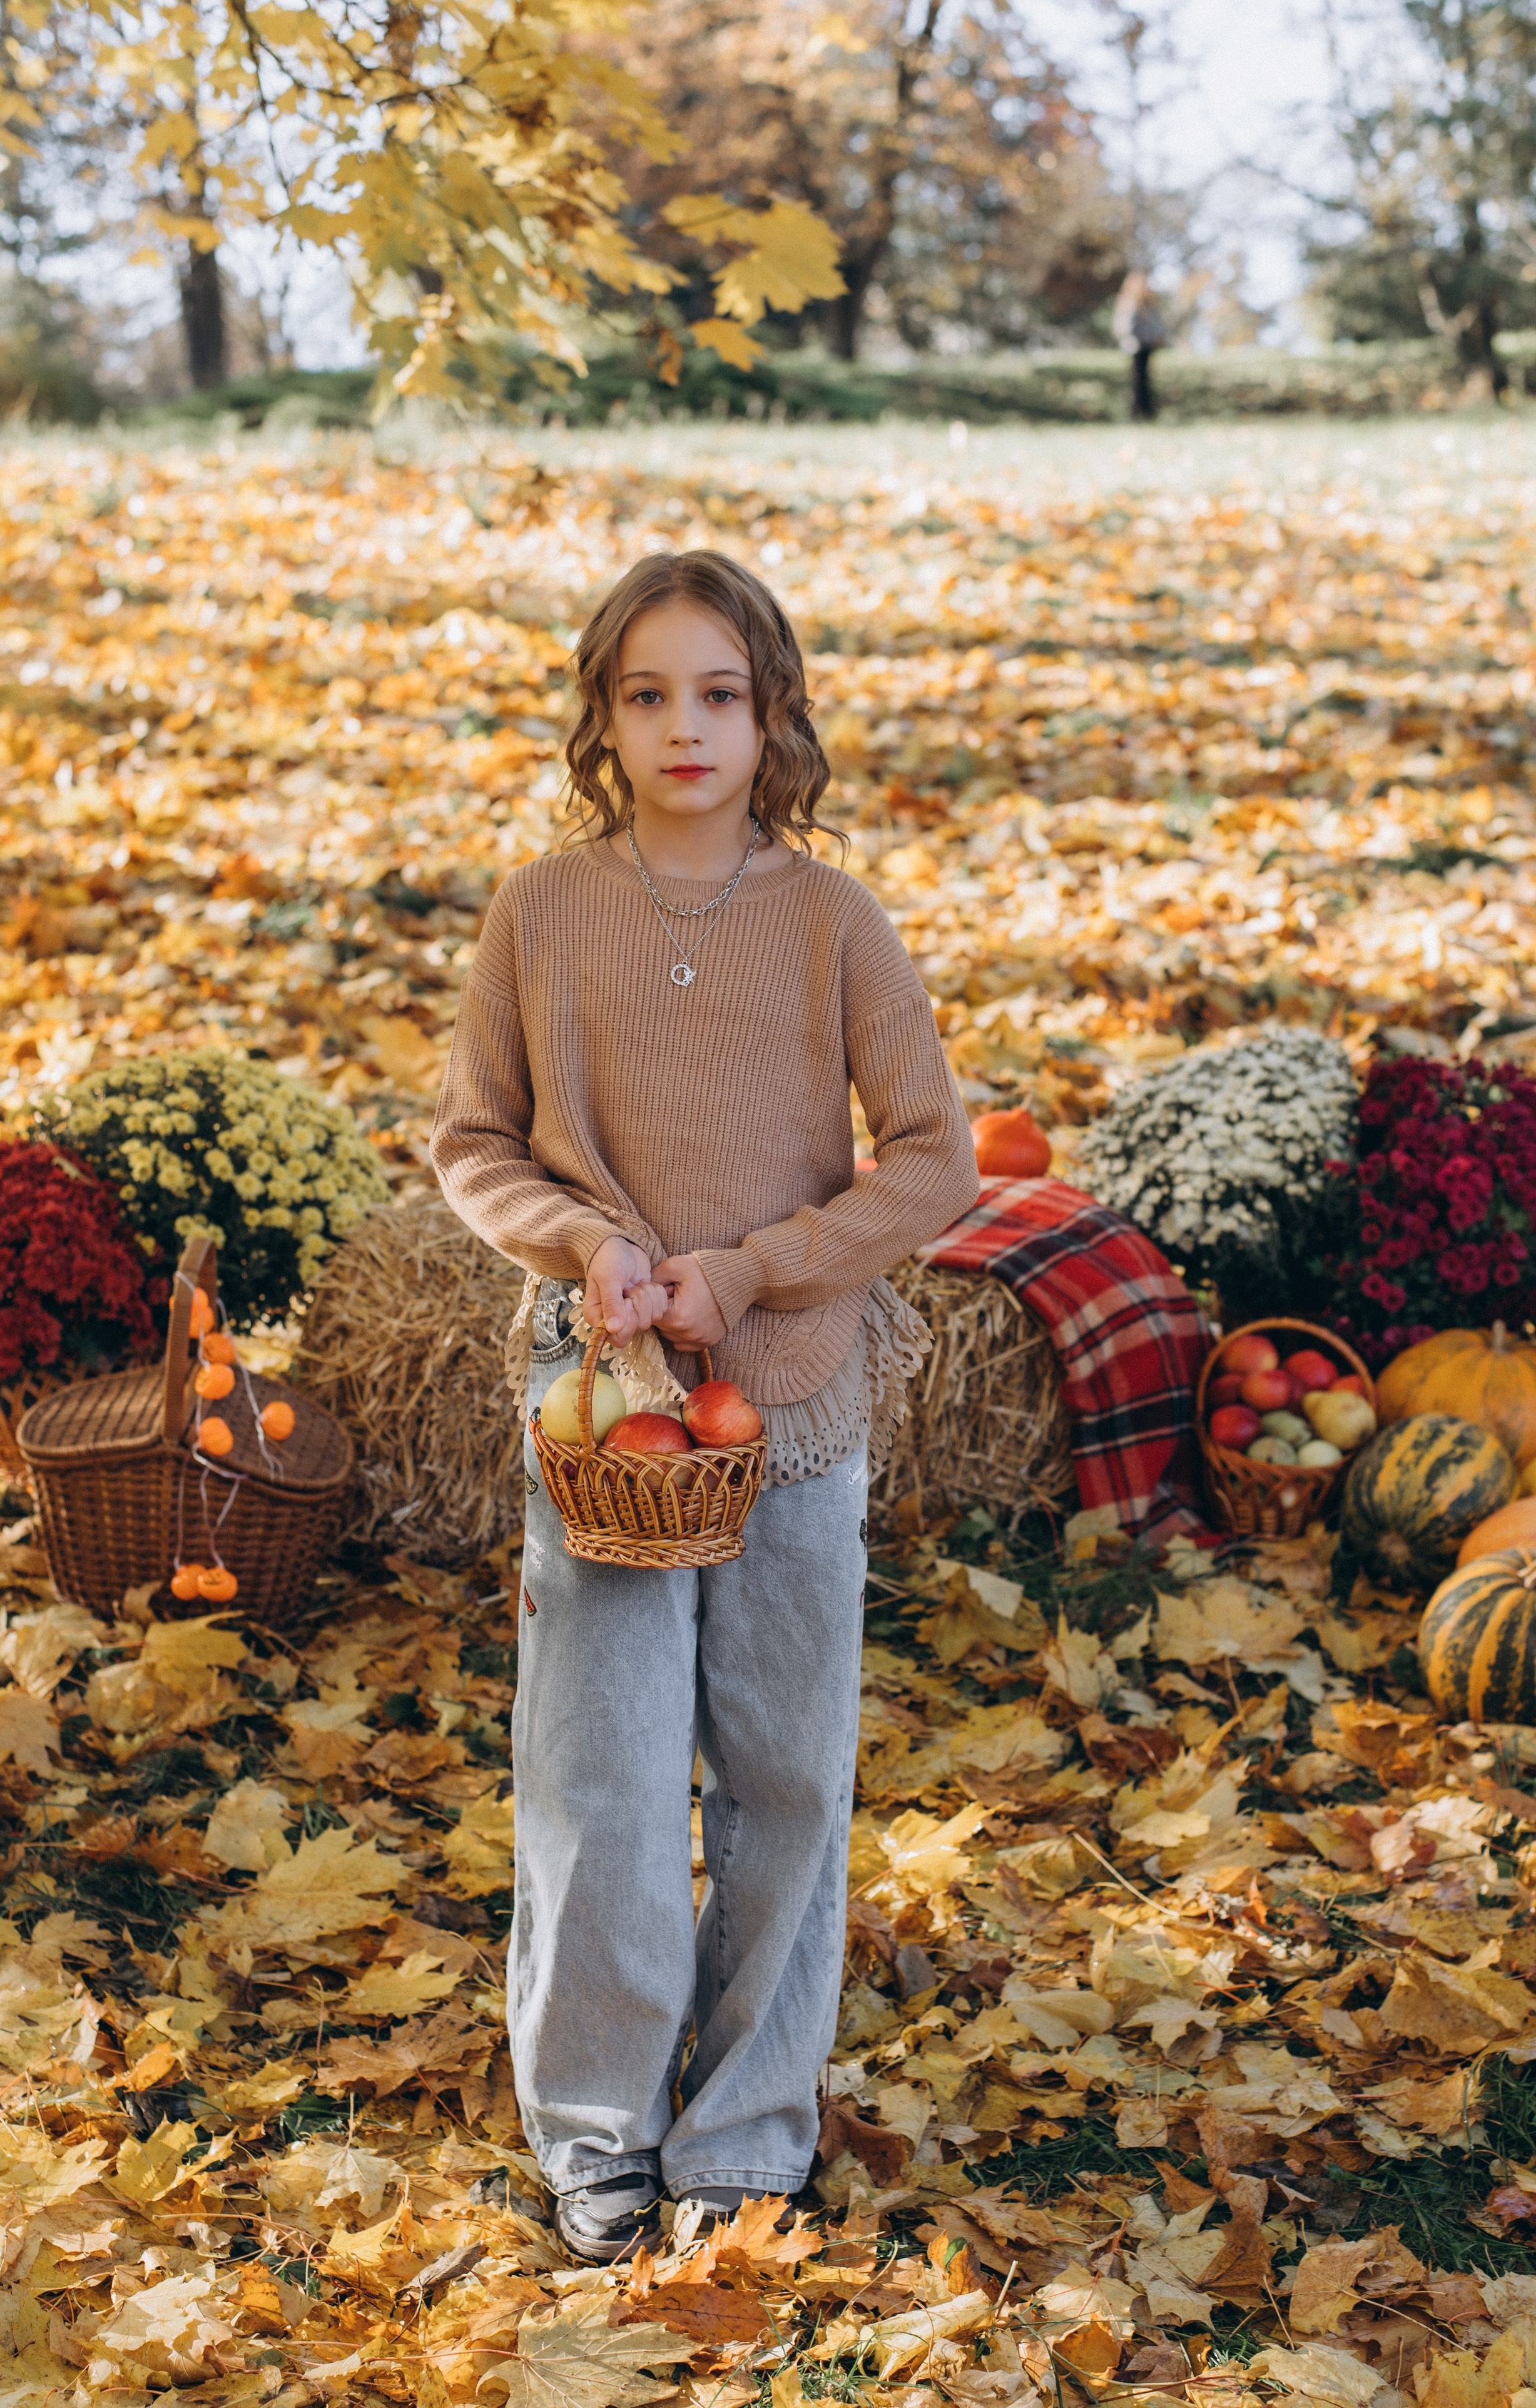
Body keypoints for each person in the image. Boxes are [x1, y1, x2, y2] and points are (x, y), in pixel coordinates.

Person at [430, 550, 978, 2262]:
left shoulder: (831, 920)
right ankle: (597, 2126)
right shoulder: (539, 909)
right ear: (602, 717)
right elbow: (473, 1144)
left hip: (793, 1408)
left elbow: (939, 1160)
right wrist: (587, 1239)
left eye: (719, 694)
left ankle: (745, 2128)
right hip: (609, 1408)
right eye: (648, 693)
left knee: (788, 1770)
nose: (686, 727)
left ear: (771, 713)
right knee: (598, 1775)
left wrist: (754, 1269)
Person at [1113, 269, 1169, 423]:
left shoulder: (1148, 305)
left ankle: (1146, 410)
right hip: (1137, 348)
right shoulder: (1130, 304)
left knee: (1145, 379)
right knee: (1138, 380)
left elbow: (1156, 325)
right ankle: (1138, 411)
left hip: (1148, 347)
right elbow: (1127, 327)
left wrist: (1158, 336)